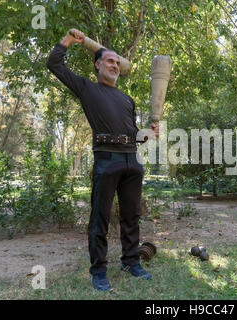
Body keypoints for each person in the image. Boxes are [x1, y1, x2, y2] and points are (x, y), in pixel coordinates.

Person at [46, 28, 159, 291]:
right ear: (98, 65)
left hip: (132, 161)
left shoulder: (127, 99)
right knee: (100, 218)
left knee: (132, 215)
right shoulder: (86, 88)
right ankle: (98, 271)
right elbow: (54, 64)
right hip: (106, 159)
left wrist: (149, 134)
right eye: (110, 61)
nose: (115, 65)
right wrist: (69, 41)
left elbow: (133, 134)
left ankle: (130, 261)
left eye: (118, 62)